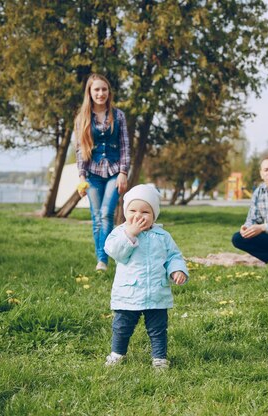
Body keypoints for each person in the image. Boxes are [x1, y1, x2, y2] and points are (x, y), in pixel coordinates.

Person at [103, 184, 189, 369]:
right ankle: (117, 353)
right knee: (122, 327)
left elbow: (173, 256)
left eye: (145, 212)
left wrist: (176, 270)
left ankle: (159, 358)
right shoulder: (120, 232)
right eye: (132, 210)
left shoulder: (162, 236)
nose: (138, 216)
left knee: (158, 329)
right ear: (126, 212)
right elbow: (115, 252)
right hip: (128, 293)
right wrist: (130, 234)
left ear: (154, 215)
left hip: (156, 292)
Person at [75, 73, 130, 272]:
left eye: (104, 89)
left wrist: (123, 172)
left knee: (107, 213)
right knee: (96, 217)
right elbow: (81, 149)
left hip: (115, 171)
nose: (101, 93)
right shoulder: (82, 118)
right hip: (92, 173)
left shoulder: (119, 116)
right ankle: (102, 259)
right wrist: (81, 177)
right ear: (90, 93)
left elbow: (125, 146)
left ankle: (103, 259)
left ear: (109, 92)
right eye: (96, 90)